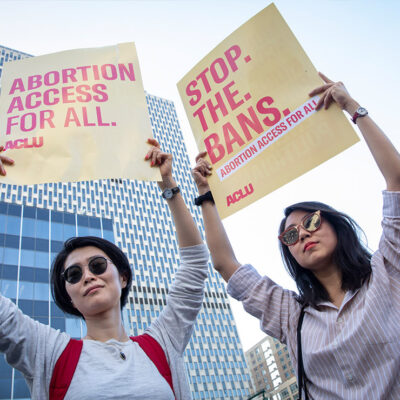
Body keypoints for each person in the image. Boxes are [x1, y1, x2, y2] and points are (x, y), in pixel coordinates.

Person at [192, 73, 400, 399]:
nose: (302, 233)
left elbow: (397, 180)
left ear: (335, 224)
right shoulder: (291, 315)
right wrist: (206, 193)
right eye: (290, 235)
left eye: (312, 221)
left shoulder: (388, 273)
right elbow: (223, 262)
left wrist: (352, 108)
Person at [0, 139, 209, 399]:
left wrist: (168, 185)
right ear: (68, 296)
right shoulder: (47, 353)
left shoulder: (163, 343)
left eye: (97, 265)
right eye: (74, 274)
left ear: (122, 277)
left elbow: (196, 263)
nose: (88, 276)